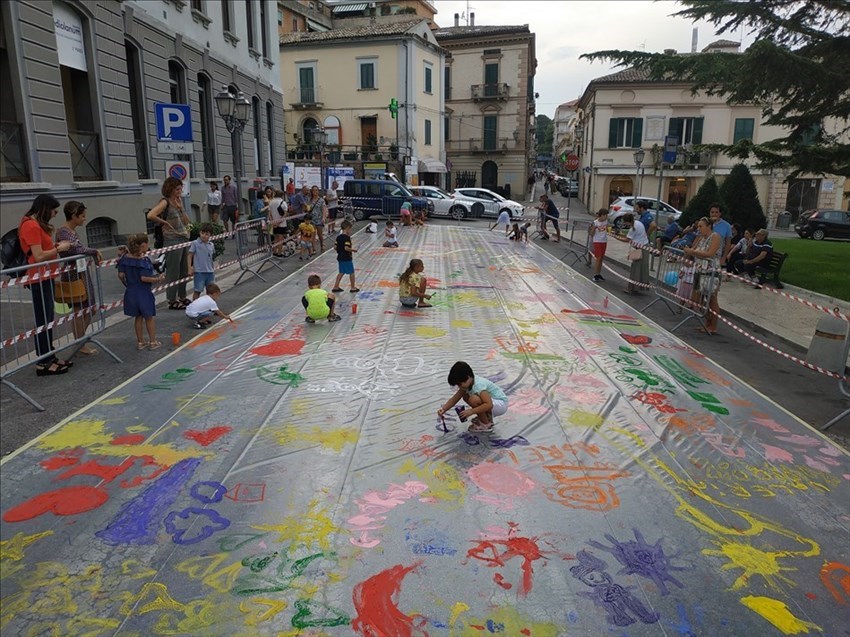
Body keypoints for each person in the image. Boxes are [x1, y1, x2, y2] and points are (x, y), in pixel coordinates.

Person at [18, 194, 74, 376]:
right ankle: (43, 362)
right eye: (54, 210)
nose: (55, 214)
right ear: (45, 208)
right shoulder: (31, 225)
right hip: (38, 277)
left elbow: (42, 250)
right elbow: (39, 255)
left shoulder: (34, 224)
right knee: (43, 320)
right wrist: (59, 249)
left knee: (48, 319)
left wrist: (55, 246)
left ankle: (50, 355)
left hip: (46, 275)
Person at [56, 200, 102, 355]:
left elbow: (78, 249)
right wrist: (93, 251)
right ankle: (80, 343)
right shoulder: (63, 231)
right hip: (72, 274)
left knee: (90, 308)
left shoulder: (71, 231)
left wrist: (91, 252)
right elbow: (77, 249)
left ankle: (80, 341)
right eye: (82, 216)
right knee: (79, 309)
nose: (84, 219)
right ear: (74, 216)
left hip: (81, 271)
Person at [147, 177, 191, 310]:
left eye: (181, 188)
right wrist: (164, 222)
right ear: (170, 189)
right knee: (173, 271)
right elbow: (151, 215)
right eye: (177, 189)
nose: (180, 191)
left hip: (183, 237)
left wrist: (181, 208)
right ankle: (172, 299)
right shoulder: (165, 202)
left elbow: (186, 222)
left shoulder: (179, 201)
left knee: (183, 270)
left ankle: (182, 296)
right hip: (172, 239)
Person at [118, 233, 164, 350]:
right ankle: (153, 341)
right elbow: (144, 278)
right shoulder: (144, 261)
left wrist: (127, 284)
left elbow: (121, 275)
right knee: (149, 317)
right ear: (143, 245)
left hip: (131, 292)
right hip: (143, 292)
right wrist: (157, 279)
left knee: (138, 317)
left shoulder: (124, 258)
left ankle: (140, 342)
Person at [437, 361, 509, 433]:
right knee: (465, 396)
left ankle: (486, 424)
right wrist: (444, 409)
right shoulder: (468, 383)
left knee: (473, 399)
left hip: (500, 404)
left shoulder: (478, 386)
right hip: (493, 403)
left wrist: (471, 411)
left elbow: (489, 405)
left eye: (460, 384)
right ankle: (485, 418)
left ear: (468, 378)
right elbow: (455, 398)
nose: (459, 386)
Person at [683, 216, 723, 335]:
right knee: (697, 299)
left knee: (712, 299)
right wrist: (688, 252)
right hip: (700, 270)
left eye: (701, 226)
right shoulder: (701, 237)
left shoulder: (715, 236)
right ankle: (707, 322)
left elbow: (710, 253)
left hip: (711, 271)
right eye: (698, 226)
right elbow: (693, 249)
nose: (699, 228)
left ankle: (713, 325)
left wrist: (693, 252)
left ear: (708, 226)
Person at [614, 212, 649, 295]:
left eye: (624, 222)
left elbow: (627, 240)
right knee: (642, 268)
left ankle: (632, 288)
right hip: (644, 246)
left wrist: (616, 237)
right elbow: (631, 237)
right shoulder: (638, 223)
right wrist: (620, 234)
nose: (624, 224)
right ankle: (640, 286)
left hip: (639, 249)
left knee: (635, 269)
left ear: (627, 221)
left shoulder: (633, 229)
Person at [188, 222, 215, 301]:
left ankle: (209, 306)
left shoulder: (211, 245)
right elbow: (190, 255)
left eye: (206, 234)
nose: (204, 235)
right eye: (202, 233)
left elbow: (211, 257)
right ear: (199, 232)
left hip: (210, 271)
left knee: (210, 291)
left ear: (210, 235)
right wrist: (189, 267)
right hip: (199, 272)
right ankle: (195, 306)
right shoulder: (195, 243)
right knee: (198, 290)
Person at [332, 220, 359, 293]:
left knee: (341, 272)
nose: (350, 231)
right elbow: (346, 248)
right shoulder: (347, 238)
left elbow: (335, 247)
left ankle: (336, 286)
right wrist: (353, 250)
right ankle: (353, 287)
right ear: (347, 228)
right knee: (351, 272)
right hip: (346, 257)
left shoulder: (338, 237)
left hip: (340, 257)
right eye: (350, 229)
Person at [709, 202, 733, 269]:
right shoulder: (706, 223)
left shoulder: (727, 226)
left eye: (716, 212)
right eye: (712, 212)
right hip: (703, 253)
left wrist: (724, 257)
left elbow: (728, 243)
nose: (714, 214)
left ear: (720, 213)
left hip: (717, 256)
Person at [589, 208, 609, 282]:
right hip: (597, 241)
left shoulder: (606, 222)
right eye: (606, 215)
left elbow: (608, 229)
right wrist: (594, 228)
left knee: (601, 258)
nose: (607, 217)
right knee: (598, 257)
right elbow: (591, 234)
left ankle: (598, 273)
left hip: (604, 241)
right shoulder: (595, 222)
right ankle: (595, 274)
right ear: (602, 215)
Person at [268, 189, 289, 257]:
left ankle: (274, 252)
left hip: (273, 223)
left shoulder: (271, 202)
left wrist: (273, 222)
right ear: (282, 195)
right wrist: (278, 223)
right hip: (282, 224)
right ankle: (279, 253)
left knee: (275, 238)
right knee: (281, 239)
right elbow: (285, 214)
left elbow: (269, 213)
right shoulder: (283, 202)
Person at [308, 185, 328, 251]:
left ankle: (322, 245)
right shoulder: (310, 200)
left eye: (316, 190)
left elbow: (324, 209)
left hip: (319, 219)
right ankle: (313, 248)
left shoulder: (321, 200)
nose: (315, 192)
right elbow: (307, 209)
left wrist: (323, 218)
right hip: (312, 220)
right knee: (313, 235)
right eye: (313, 190)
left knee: (320, 234)